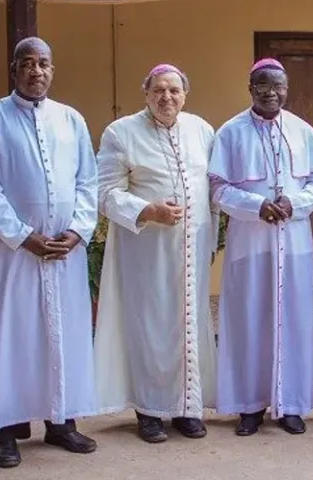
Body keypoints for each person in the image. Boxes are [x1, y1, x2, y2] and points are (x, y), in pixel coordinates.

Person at [0, 37, 98, 468]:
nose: (36, 70)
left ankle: (61, 423)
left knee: (63, 336)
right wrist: (25, 237)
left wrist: (77, 231)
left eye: (43, 63)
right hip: (9, 253)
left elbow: (88, 182)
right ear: (14, 70)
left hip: (63, 251)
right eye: (27, 63)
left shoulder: (71, 119)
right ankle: (5, 431)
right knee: (11, 338)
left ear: (52, 70)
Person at [93, 64, 218, 443]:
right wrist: (148, 210)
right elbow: (104, 193)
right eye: (159, 90)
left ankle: (186, 408)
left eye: (174, 90)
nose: (167, 97)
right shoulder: (121, 133)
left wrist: (210, 239)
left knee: (189, 325)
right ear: (146, 93)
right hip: (147, 250)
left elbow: (211, 190)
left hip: (192, 251)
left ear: (185, 95)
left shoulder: (202, 130)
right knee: (150, 327)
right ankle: (148, 410)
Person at [209, 58, 313, 436]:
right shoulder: (230, 132)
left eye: (278, 86)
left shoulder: (303, 131)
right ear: (250, 88)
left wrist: (296, 203)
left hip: (294, 243)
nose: (271, 93)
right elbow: (218, 188)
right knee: (249, 322)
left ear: (287, 89)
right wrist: (255, 205)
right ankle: (250, 406)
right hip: (250, 243)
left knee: (295, 322)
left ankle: (292, 404)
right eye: (263, 85)